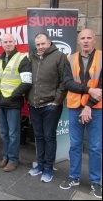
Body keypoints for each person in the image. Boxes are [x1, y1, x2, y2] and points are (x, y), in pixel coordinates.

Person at [59, 29, 102, 199]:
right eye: (82, 38)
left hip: (96, 108)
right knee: (75, 144)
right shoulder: (70, 58)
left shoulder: (101, 57)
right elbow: (68, 82)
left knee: (96, 147)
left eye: (89, 38)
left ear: (94, 40)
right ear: (78, 41)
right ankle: (74, 177)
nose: (85, 41)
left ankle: (96, 181)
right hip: (75, 107)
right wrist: (88, 90)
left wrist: (89, 105)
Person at [27, 33, 67, 183]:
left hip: (51, 105)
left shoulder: (59, 56)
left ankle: (48, 168)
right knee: (39, 136)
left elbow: (64, 81)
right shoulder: (32, 57)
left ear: (49, 42)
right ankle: (40, 164)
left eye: (43, 43)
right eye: (38, 44)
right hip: (34, 104)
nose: (40, 47)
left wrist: (57, 101)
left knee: (49, 137)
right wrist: (29, 98)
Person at [0, 33, 32, 172]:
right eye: (5, 42)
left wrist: (13, 96)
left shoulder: (22, 58)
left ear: (14, 42)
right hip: (1, 102)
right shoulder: (0, 59)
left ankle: (13, 160)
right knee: (3, 132)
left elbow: (27, 82)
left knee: (13, 134)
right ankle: (6, 157)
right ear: (2, 44)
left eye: (10, 41)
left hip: (13, 103)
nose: (7, 44)